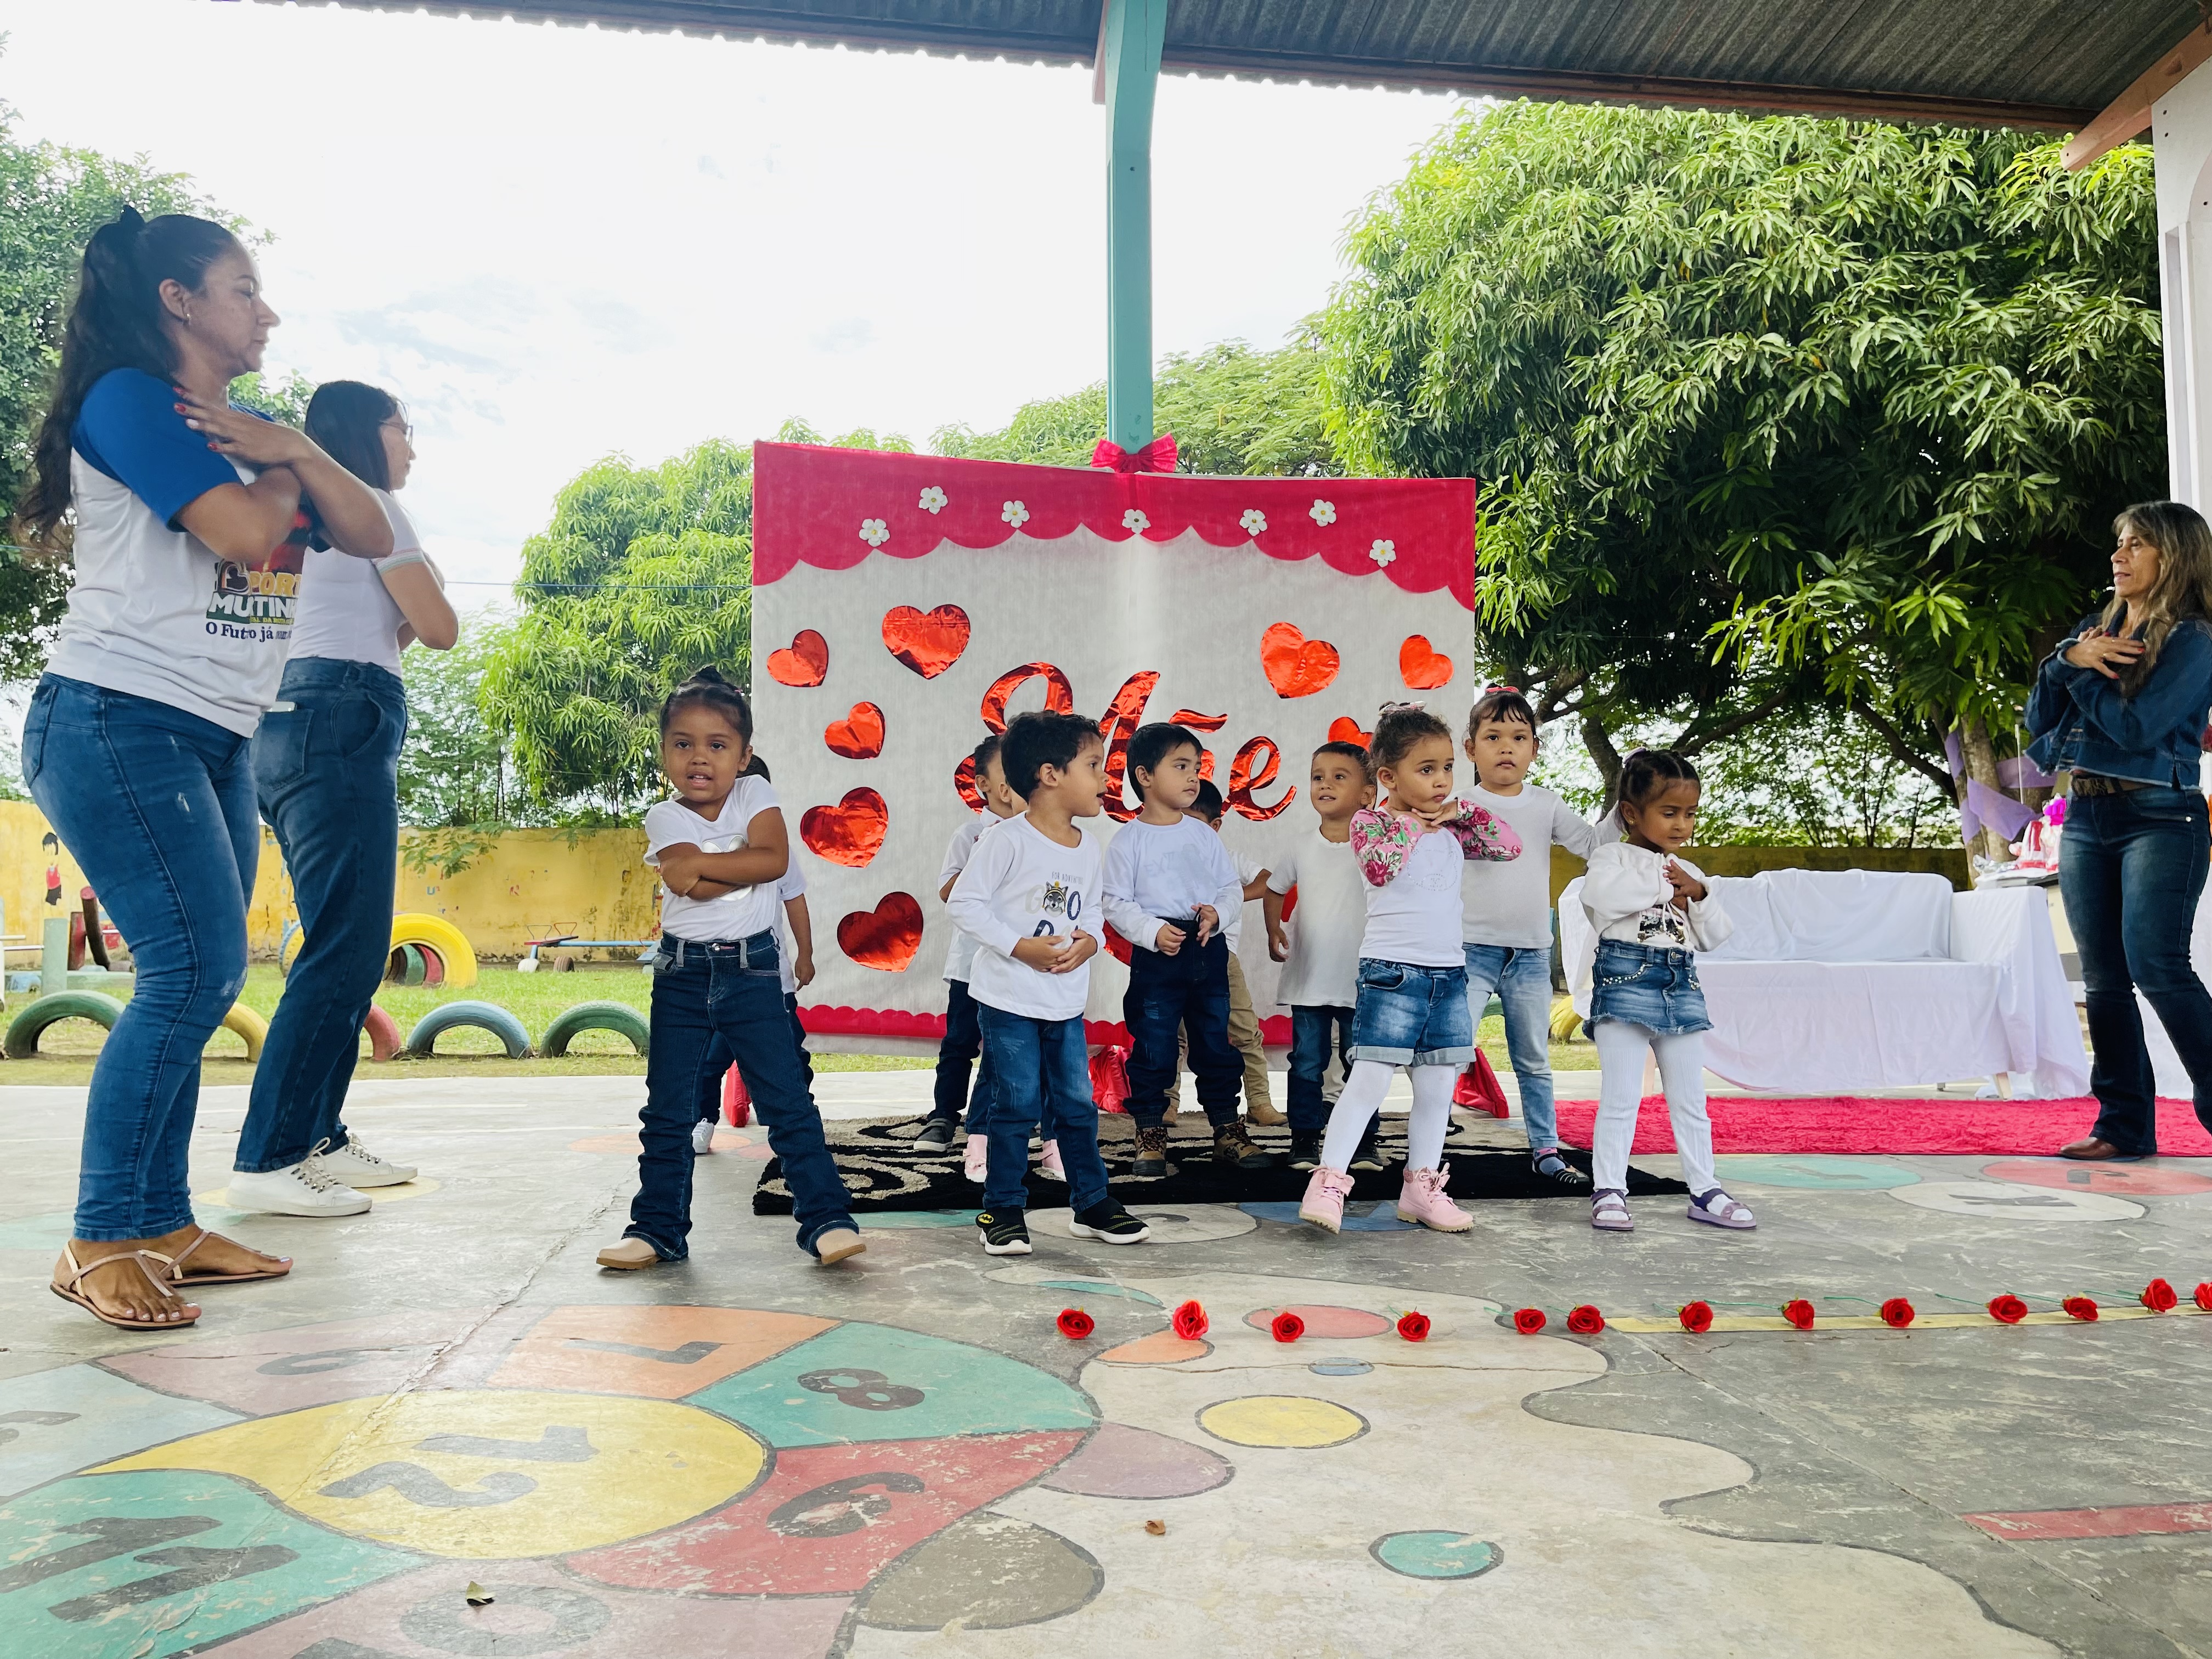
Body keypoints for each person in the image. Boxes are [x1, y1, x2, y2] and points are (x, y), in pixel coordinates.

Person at [19, 209, 394, 1330]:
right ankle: (98, 1237)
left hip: (215, 731)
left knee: (203, 977)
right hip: (117, 719)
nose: (265, 310)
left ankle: (161, 1219)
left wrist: (299, 446)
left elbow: (373, 533)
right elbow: (240, 534)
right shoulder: (136, 399)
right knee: (191, 973)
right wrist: (283, 475)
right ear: (179, 300)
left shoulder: (256, 424)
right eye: (243, 289)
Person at [229, 381, 458, 1216]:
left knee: (345, 943)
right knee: (344, 950)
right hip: (342, 716)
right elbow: (435, 628)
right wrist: (430, 576)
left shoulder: (294, 511)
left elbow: (387, 623)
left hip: (282, 725)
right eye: (405, 426)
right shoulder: (373, 508)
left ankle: (317, 1138)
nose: (411, 445)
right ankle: (271, 1158)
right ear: (367, 434)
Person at [597, 668, 864, 1269]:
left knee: (788, 1101)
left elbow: (771, 862)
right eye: (683, 743)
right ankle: (657, 1229)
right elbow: (686, 876)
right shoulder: (663, 818)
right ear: (665, 750)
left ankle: (826, 1221)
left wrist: (706, 873)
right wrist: (731, 868)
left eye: (717, 745)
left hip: (754, 972)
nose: (699, 757)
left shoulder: (755, 796)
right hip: (682, 975)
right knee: (668, 1109)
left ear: (744, 756)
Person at [2026, 501, 2212, 1159]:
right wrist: (2065, 660)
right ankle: (2123, 1128)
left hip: (2161, 814)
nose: (2119, 554)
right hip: (2086, 815)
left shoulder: (2195, 638)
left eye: (2138, 544)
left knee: (2158, 966)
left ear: (2176, 556)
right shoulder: (2092, 629)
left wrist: (2077, 669)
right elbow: (2036, 720)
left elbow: (2139, 728)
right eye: (2120, 543)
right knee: (2104, 978)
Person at [1299, 706, 1521, 1234]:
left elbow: (1509, 847)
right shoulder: (1372, 823)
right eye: (1426, 769)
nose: (1442, 779)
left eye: (1447, 767)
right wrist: (1412, 825)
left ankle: (1421, 1187)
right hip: (1393, 974)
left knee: (1438, 1087)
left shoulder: (1452, 826)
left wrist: (1461, 814)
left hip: (1449, 975)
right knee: (1370, 1079)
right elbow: (1380, 867)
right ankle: (1330, 1181)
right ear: (1387, 778)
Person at [946, 710, 1150, 1255]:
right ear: (1050, 775)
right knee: (1015, 1104)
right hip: (1009, 1002)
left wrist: (1090, 942)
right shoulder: (1006, 841)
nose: (1105, 779)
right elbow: (964, 903)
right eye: (1093, 765)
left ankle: (1092, 1203)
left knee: (1077, 1106)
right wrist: (1020, 947)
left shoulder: (1087, 846)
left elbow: (1091, 915)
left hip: (1064, 1004)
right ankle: (1004, 1209)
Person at [1577, 751, 1755, 1233]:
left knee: (1690, 1098)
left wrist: (1697, 894)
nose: (1682, 824)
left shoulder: (1687, 869)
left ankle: (1705, 1188)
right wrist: (1664, 886)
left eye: (1690, 813)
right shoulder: (1611, 857)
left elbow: (1716, 933)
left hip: (1681, 981)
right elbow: (1601, 901)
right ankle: (1610, 1188)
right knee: (1621, 1096)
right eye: (1670, 812)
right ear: (1632, 813)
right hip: (1626, 980)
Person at [1102, 723, 1267, 1178]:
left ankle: (1228, 1132)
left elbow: (1230, 889)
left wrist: (1218, 913)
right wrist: (1151, 930)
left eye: (1196, 767)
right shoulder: (1128, 841)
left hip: (1206, 947)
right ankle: (1151, 1135)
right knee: (1154, 1046)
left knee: (1217, 1043)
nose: (1194, 777)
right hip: (1159, 954)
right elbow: (1115, 901)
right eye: (1181, 766)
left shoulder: (1204, 836)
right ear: (1144, 776)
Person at [1458, 686, 1599, 1187]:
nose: (1506, 747)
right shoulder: (1457, 805)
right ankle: (1427, 1148)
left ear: (1534, 749)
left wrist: (1631, 802)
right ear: (1470, 748)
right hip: (1468, 949)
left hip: (1531, 953)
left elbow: (1592, 844)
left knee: (1533, 1060)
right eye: (1493, 736)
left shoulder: (1547, 805)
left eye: (1519, 737)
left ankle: (1545, 1149)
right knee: (1450, 1048)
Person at [693, 757, 812, 1155]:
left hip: (770, 982)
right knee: (708, 1061)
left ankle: (799, 1119)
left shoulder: (779, 853)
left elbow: (794, 900)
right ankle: (703, 1121)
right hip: (718, 980)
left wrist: (805, 953)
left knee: (790, 1056)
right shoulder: (705, 851)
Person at [1266, 741, 1375, 1171]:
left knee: (1362, 1062)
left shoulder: (1377, 846)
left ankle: (1363, 1142)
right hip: (1309, 977)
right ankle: (1305, 1140)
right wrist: (1274, 929)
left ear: (1368, 794)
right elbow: (1275, 889)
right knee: (1307, 1062)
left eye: (1339, 777)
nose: (1325, 784)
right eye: (1318, 776)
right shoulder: (1300, 847)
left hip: (1363, 979)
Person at [917, 736, 1021, 1165]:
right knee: (960, 1040)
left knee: (1010, 1045)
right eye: (1008, 771)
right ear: (983, 784)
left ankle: (1008, 1116)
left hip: (1017, 960)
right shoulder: (971, 833)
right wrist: (988, 854)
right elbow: (947, 890)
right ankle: (944, 1116)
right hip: (970, 963)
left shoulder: (1037, 833)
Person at [1177, 780, 1286, 1126]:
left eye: (1194, 822)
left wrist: (1231, 898)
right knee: (1175, 1032)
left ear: (1215, 826)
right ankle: (1168, 1102)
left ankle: (1259, 1101)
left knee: (1244, 1029)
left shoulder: (1228, 860)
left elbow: (1271, 880)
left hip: (1223, 957)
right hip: (1176, 952)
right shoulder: (1167, 858)